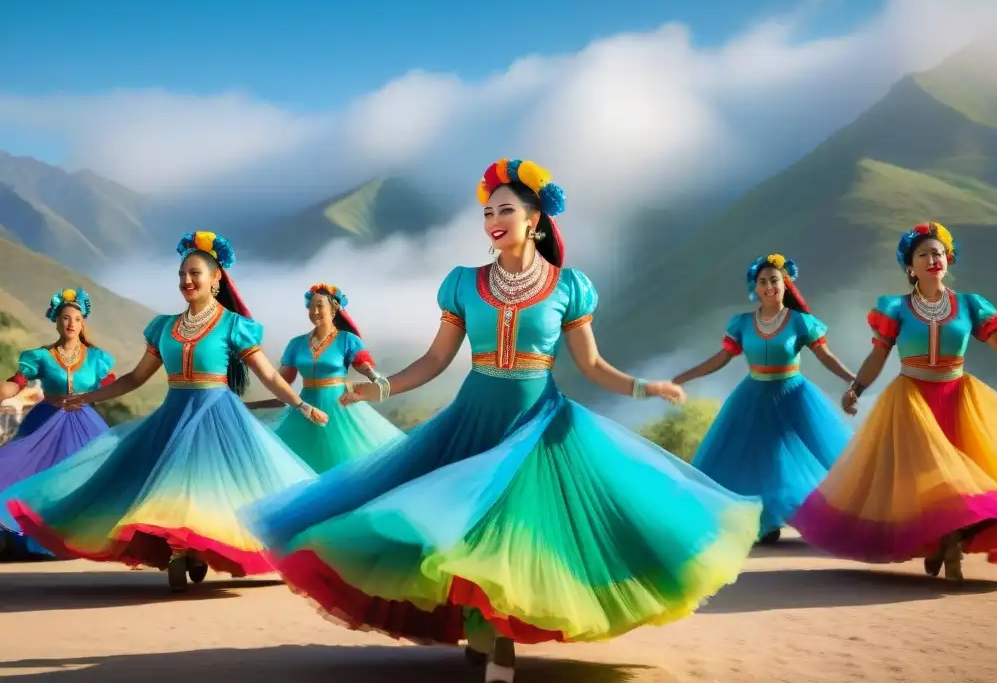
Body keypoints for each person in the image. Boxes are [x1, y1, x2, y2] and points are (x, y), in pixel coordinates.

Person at [243, 159, 762, 683]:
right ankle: (485, 630)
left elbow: (592, 364)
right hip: (473, 416)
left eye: (506, 209)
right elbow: (434, 361)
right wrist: (378, 387)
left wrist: (643, 387)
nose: (493, 218)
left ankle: (499, 643)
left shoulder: (569, 287)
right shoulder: (464, 284)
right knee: (460, 530)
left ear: (535, 218)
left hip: (540, 423)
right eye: (487, 211)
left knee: (516, 535)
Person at [0, 231, 324, 591]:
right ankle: (183, 551)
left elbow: (268, 375)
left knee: (210, 490)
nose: (186, 281)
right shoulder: (164, 327)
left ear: (216, 279)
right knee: (164, 487)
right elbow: (136, 377)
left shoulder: (234, 326)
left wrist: (300, 403)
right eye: (182, 274)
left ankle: (195, 552)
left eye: (195, 273)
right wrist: (89, 398)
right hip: (173, 415)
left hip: (218, 416)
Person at [791, 222, 997, 583]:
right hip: (913, 401)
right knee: (935, 483)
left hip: (960, 400)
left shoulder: (970, 305)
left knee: (973, 481)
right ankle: (945, 544)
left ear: (948, 259)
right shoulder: (896, 308)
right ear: (910, 267)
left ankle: (952, 541)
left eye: (938, 252)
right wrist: (856, 388)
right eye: (924, 254)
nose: (933, 259)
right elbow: (877, 356)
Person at [673, 254, 855, 544]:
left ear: (786, 284)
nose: (769, 286)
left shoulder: (801, 323)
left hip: (793, 395)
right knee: (754, 459)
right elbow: (720, 360)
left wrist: (852, 379)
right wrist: (681, 378)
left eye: (775, 280)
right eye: (763, 282)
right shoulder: (742, 324)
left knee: (795, 458)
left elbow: (825, 357)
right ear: (754, 288)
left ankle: (817, 516)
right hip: (753, 395)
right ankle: (765, 521)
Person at [0, 288, 114, 557]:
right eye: (65, 318)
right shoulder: (40, 356)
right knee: (39, 477)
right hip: (46, 423)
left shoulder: (97, 358)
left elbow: (112, 385)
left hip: (85, 423)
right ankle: (38, 538)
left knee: (92, 475)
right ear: (56, 320)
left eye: (76, 318)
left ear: (82, 322)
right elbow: (15, 384)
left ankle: (86, 537)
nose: (71, 323)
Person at [245, 283, 406, 473]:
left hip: (340, 406)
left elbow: (362, 365)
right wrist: (256, 362)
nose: (314, 311)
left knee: (347, 461)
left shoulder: (347, 340)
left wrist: (375, 378)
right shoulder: (296, 344)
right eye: (311, 307)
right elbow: (282, 379)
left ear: (334, 308)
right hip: (306, 406)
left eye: (319, 305)